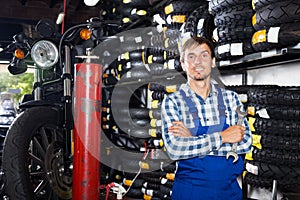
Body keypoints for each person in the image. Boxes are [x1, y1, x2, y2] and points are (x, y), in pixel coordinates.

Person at [161, 36, 252, 200]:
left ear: (212, 62)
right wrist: (223, 136)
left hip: (229, 194)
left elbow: (245, 143)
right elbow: (175, 149)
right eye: (191, 57)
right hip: (189, 193)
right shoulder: (173, 102)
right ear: (183, 64)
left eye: (204, 55)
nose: (198, 62)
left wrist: (192, 140)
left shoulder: (231, 98)